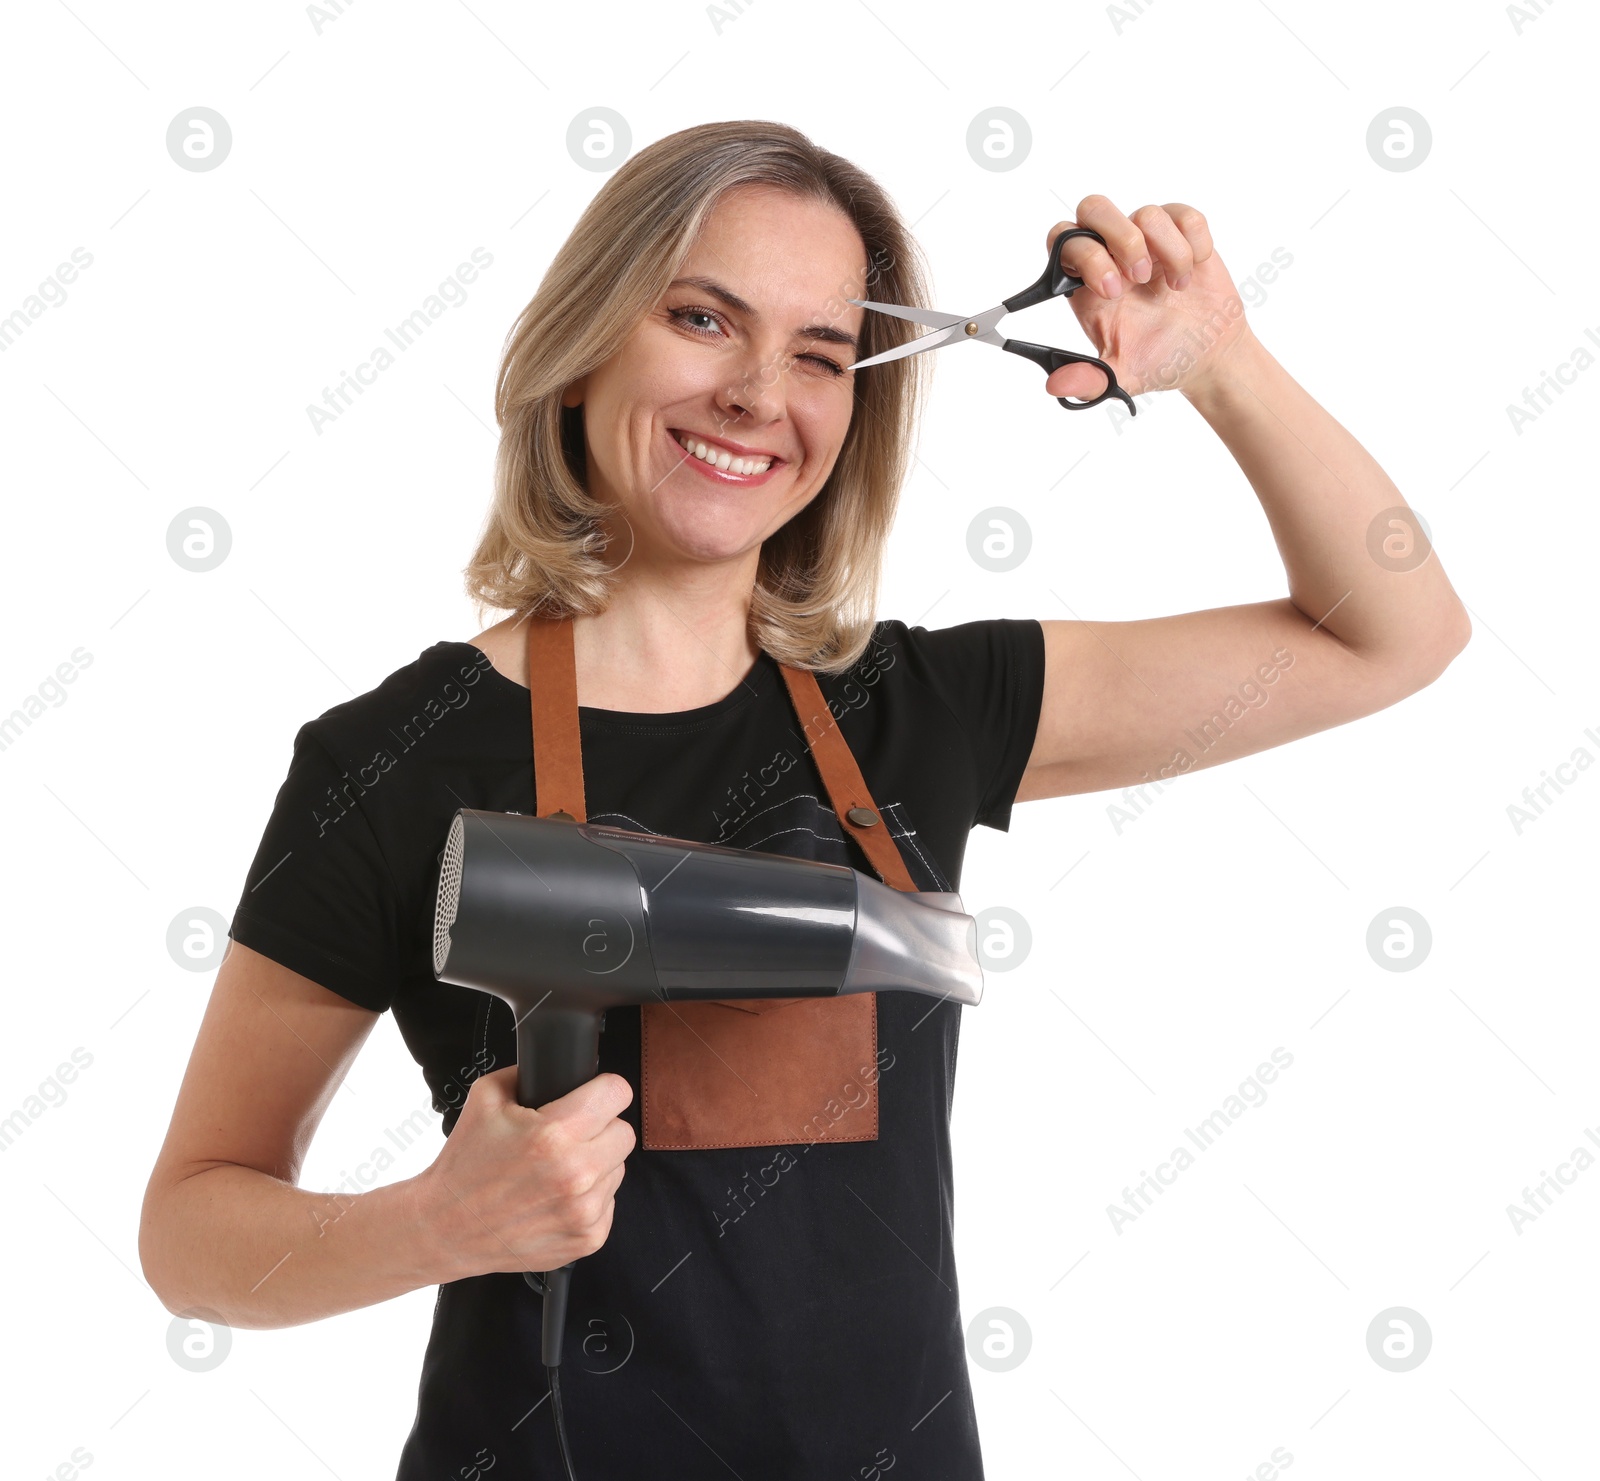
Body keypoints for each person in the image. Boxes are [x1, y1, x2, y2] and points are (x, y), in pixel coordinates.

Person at [138, 119, 1470, 1479]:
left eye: (821, 354)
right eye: (705, 318)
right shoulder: (394, 757)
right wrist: (438, 1221)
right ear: (590, 339)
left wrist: (1218, 364)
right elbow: (189, 1235)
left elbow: (1394, 633)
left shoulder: (926, 711)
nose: (759, 392)